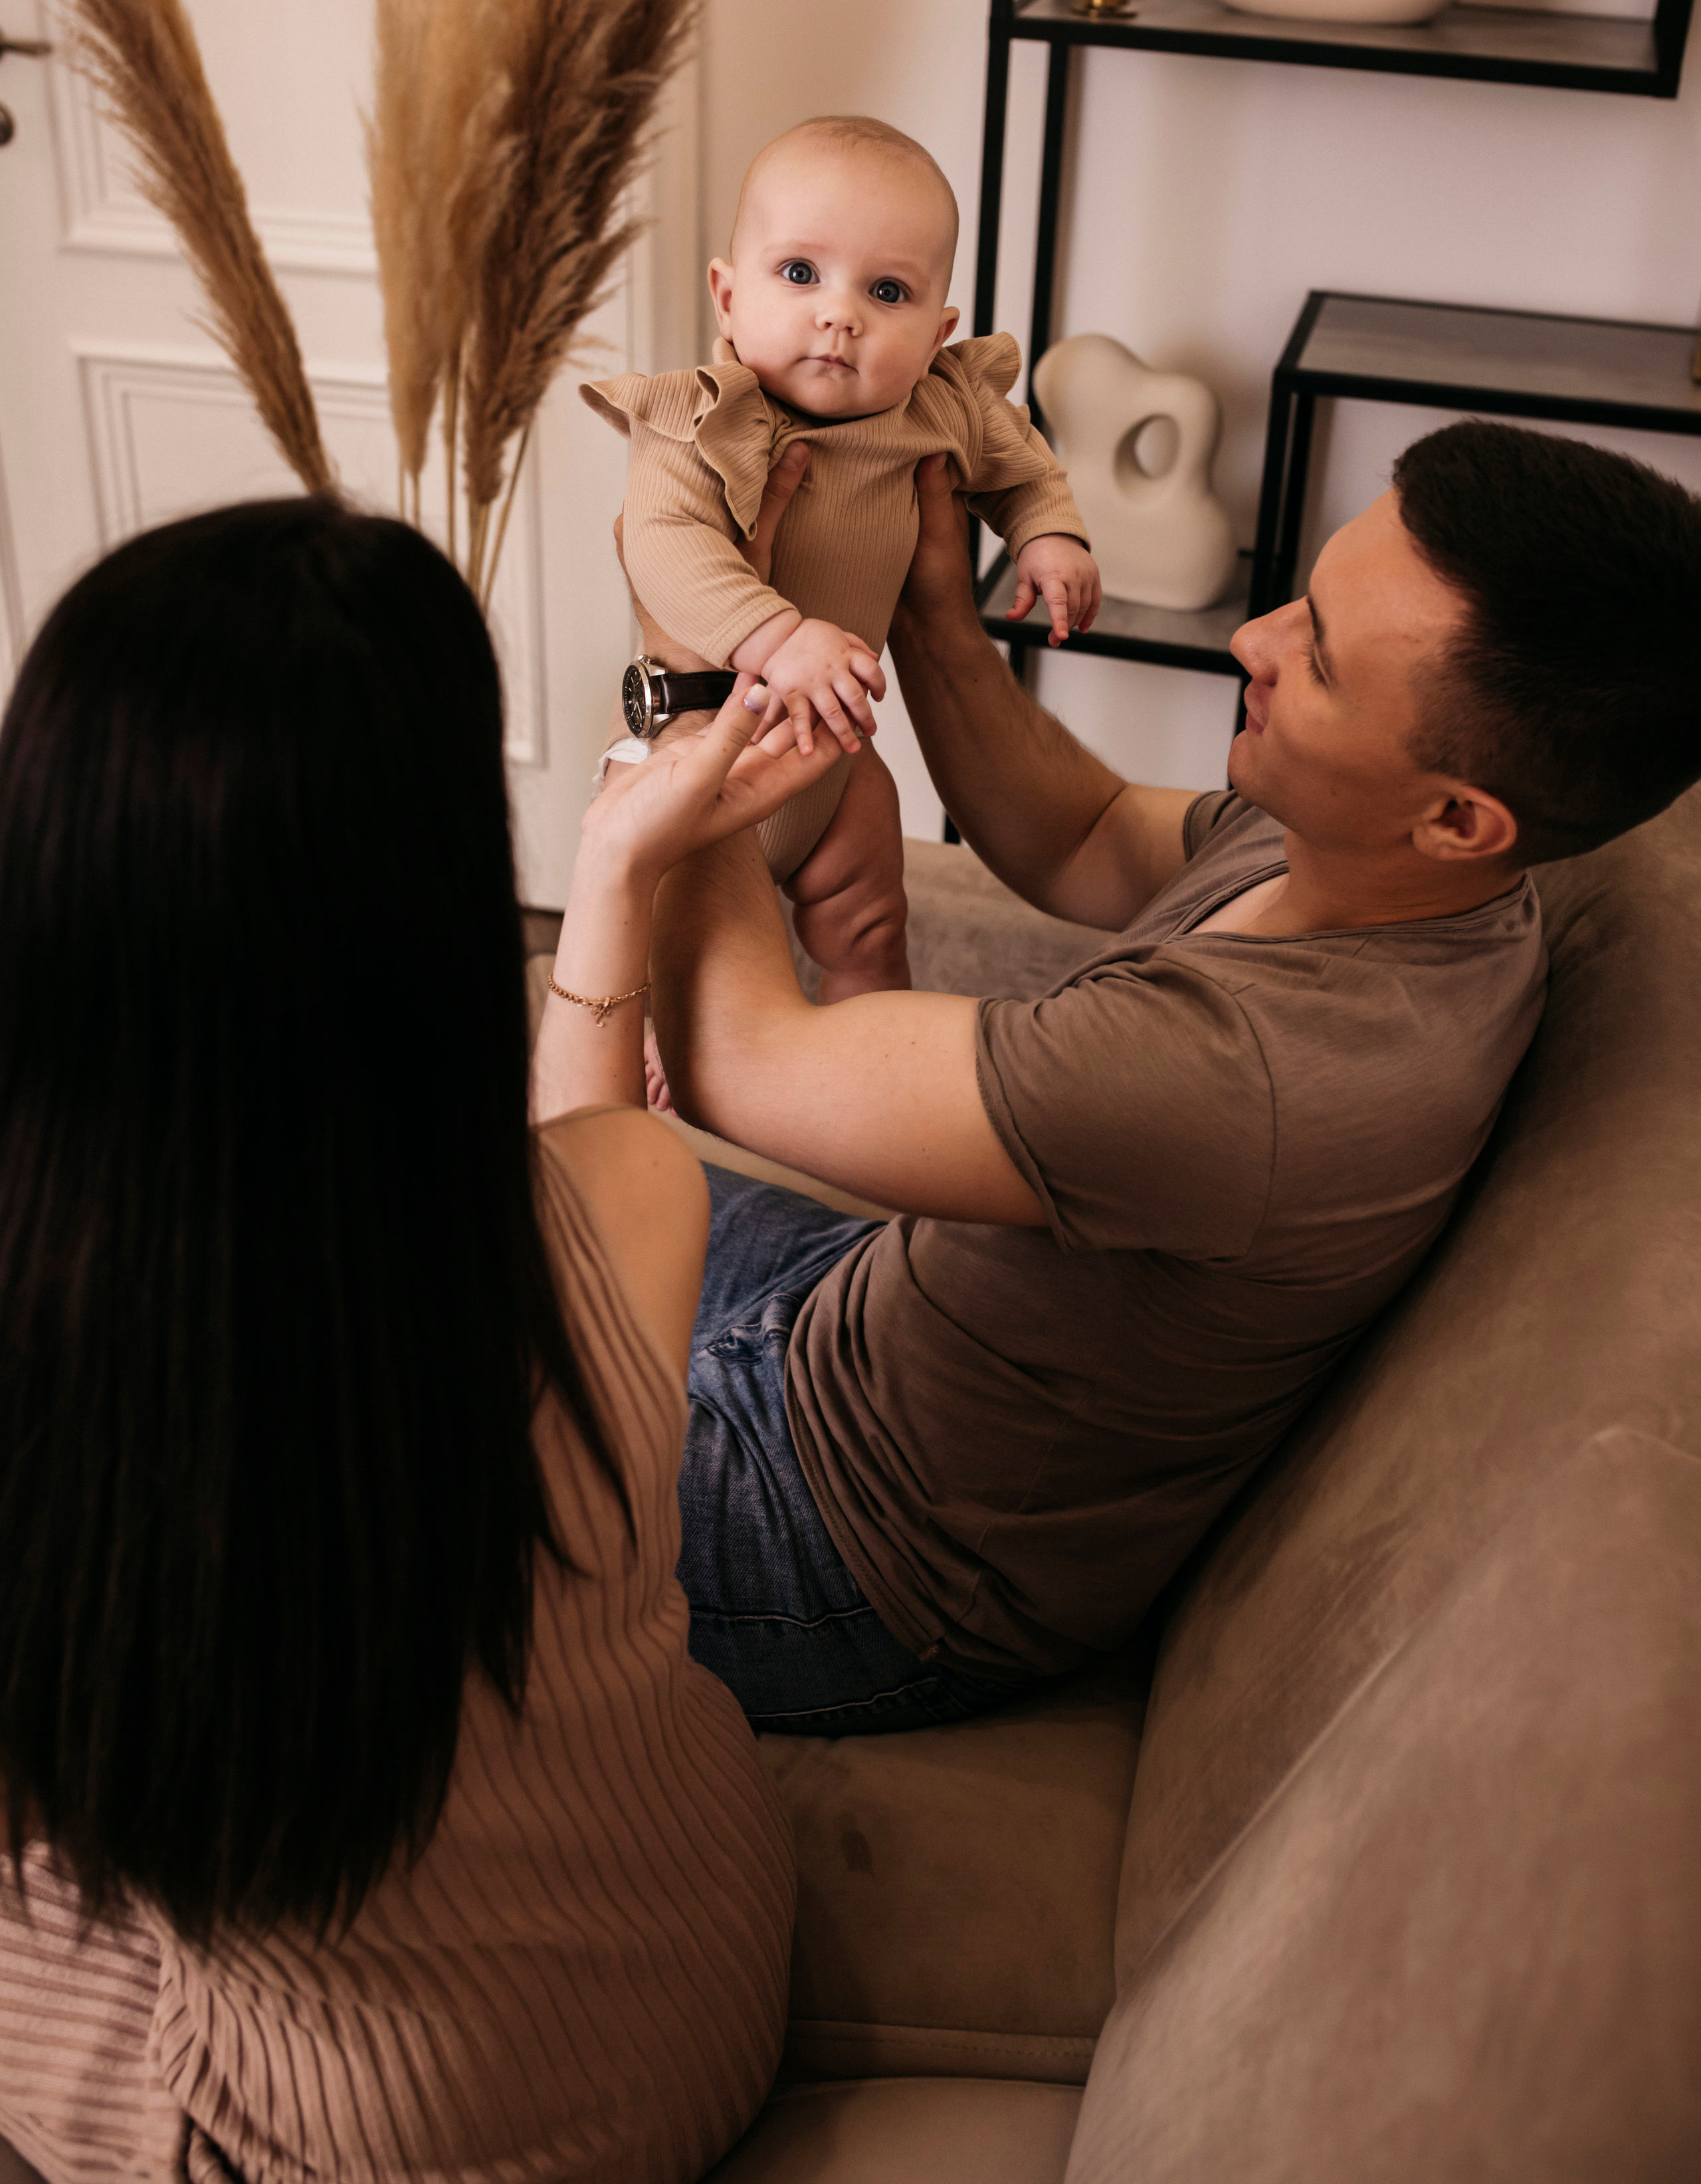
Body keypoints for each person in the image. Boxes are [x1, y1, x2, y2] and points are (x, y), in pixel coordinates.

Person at [558, 415, 1701, 1737]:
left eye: (1316, 657)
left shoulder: (1247, 1075)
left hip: (852, 1548)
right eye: (1301, 598)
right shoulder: (1383, 869)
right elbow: (1085, 831)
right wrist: (937, 612)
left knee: (344, 1442)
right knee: (439, 1224)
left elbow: (741, 1062)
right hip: (858, 1320)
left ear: (1455, 815)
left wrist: (691, 677)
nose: (1249, 640)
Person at [0, 499, 827, 2184]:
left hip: (374, 2138)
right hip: (704, 1979)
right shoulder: (629, 1203)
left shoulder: (54, 1400)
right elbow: (567, 1160)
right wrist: (614, 874)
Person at [581, 113, 1100, 1000]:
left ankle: (870, 1038)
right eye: (799, 273)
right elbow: (666, 549)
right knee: (666, 947)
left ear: (939, 334)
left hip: (832, 759)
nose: (839, 315)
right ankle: (651, 1031)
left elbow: (1020, 466)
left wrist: (1049, 532)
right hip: (699, 748)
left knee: (870, 921)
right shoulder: (696, 420)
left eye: (887, 294)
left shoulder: (940, 409)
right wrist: (776, 638)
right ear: (728, 295)